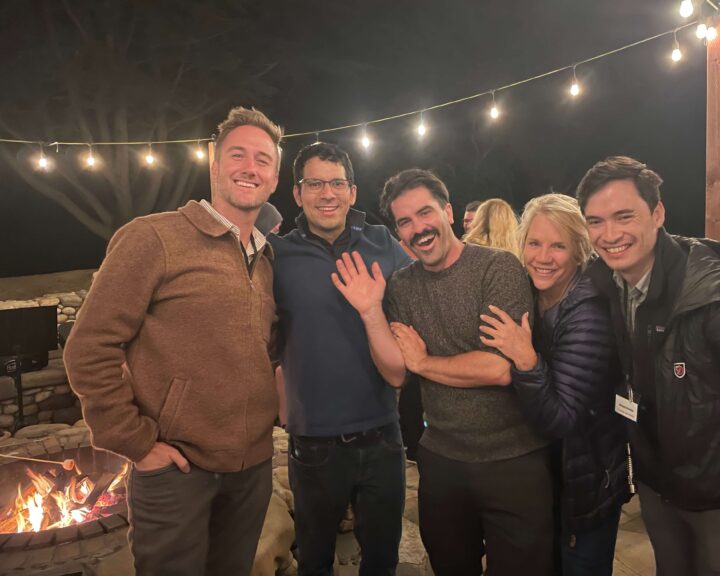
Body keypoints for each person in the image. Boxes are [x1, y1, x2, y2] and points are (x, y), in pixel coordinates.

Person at [63, 106, 281, 576]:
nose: (250, 168)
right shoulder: (153, 238)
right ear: (213, 163)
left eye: (263, 160)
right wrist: (135, 443)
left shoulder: (264, 259)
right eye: (238, 154)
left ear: (275, 177)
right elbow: (89, 346)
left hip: (251, 470)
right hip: (176, 471)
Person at [333, 168, 552, 576]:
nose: (418, 228)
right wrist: (370, 313)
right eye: (405, 222)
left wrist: (425, 363)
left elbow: (499, 367)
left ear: (448, 211)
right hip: (442, 464)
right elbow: (397, 374)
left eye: (425, 213)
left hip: (514, 461)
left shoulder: (497, 268)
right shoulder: (401, 287)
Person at [576, 155, 720, 576]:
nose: (610, 235)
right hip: (660, 487)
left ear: (657, 213)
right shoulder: (602, 284)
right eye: (595, 221)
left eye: (624, 216)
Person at [270, 142, 411, 576]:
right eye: (315, 183)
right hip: (313, 443)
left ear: (352, 192)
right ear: (297, 193)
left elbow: (424, 297)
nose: (327, 193)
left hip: (383, 434)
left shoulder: (383, 243)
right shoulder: (276, 256)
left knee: (383, 558)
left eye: (337, 183)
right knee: (314, 560)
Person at [478, 193, 629, 576]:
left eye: (558, 245)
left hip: (587, 484)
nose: (543, 257)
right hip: (547, 481)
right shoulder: (529, 295)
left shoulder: (590, 311)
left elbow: (560, 418)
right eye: (534, 243)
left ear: (579, 251)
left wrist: (524, 358)